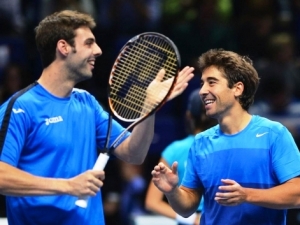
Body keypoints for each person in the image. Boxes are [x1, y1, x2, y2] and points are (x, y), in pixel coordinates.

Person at [0, 10, 194, 225]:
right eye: (89, 43)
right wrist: (67, 186)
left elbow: (134, 153)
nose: (98, 50)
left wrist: (149, 110)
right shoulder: (20, 108)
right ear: (63, 47)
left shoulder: (87, 103)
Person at [151, 48, 300, 225]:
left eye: (212, 82)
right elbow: (187, 207)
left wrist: (247, 195)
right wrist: (172, 191)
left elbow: (297, 194)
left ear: (237, 89)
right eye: (202, 83)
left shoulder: (274, 134)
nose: (202, 91)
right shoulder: (200, 143)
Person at [145, 88, 216, 225]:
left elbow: (152, 202)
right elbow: (152, 202)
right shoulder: (230, 145)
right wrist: (194, 220)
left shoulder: (174, 150)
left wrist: (192, 220)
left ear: (189, 116)